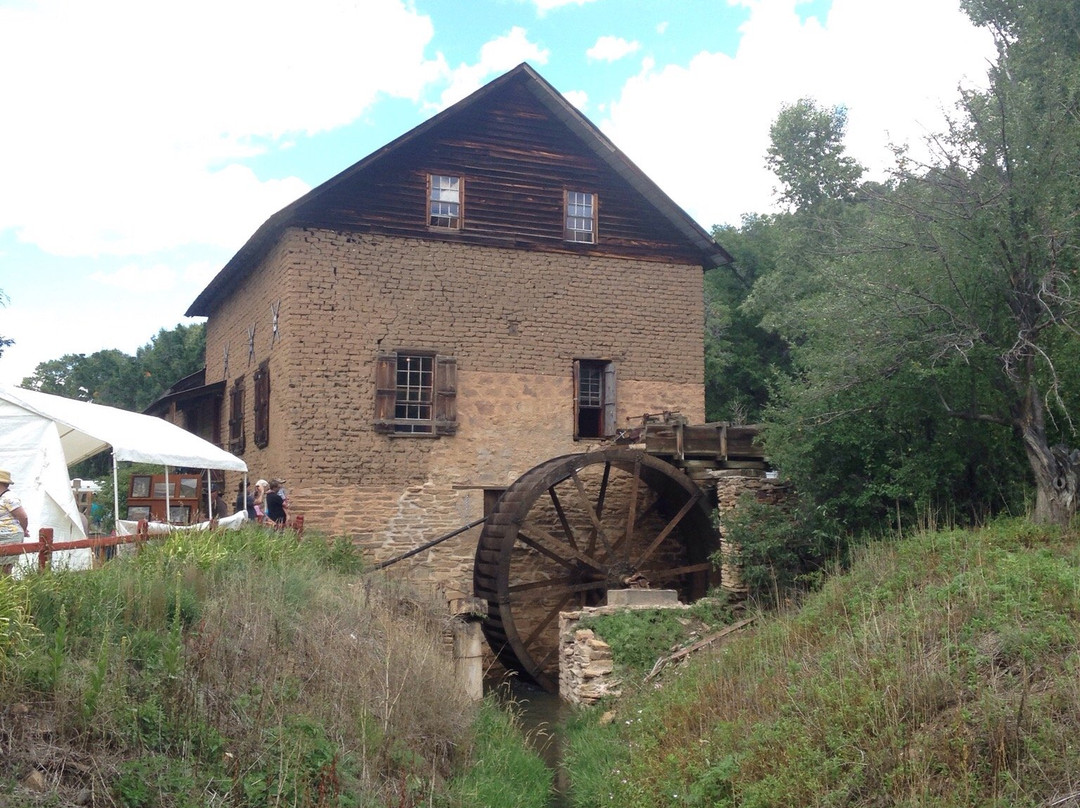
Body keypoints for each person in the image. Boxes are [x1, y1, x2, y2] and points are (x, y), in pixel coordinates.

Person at [0, 470, 30, 575]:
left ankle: (7, 589)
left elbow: (23, 516)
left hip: (9, 536)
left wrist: (24, 529)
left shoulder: (9, 497)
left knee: (5, 568)